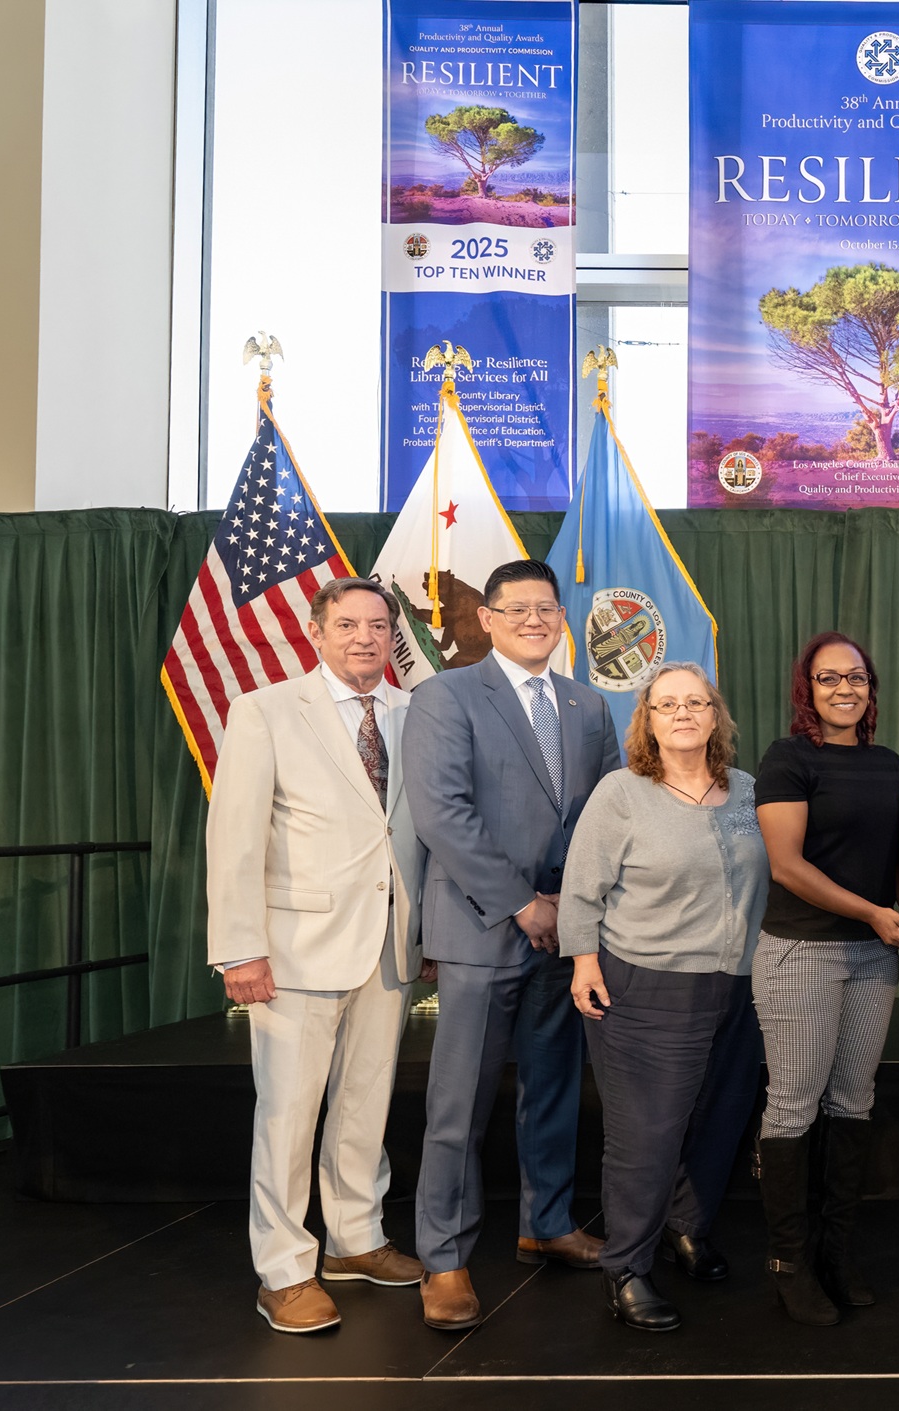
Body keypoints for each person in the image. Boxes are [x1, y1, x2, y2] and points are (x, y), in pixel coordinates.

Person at [400, 560, 623, 1331]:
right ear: (486, 618)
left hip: (566, 933)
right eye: (517, 607)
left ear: (563, 618)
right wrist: (523, 902)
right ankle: (445, 1258)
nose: (535, 618)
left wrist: (573, 908)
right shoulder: (444, 696)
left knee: (555, 1089)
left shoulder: (589, 706)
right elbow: (442, 815)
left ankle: (546, 1222)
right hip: (481, 929)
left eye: (547, 607)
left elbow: (606, 813)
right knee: (457, 1106)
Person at [206, 577, 429, 1334]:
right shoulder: (265, 710)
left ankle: (356, 1239)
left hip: (390, 943)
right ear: (316, 630)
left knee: (367, 1103)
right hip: (295, 951)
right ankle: (284, 1267)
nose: (364, 637)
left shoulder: (413, 712)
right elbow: (234, 836)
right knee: (290, 1112)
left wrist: (424, 930)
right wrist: (240, 948)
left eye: (377, 624)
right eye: (347, 624)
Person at [558, 664, 769, 1333]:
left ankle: (687, 1228)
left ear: (717, 715)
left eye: (696, 702)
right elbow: (581, 886)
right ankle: (625, 1266)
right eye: (667, 703)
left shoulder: (749, 792)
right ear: (647, 718)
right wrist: (583, 960)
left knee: (718, 1118)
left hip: (740, 983)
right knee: (645, 1135)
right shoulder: (622, 792)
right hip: (646, 985)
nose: (683, 713)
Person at [752, 631, 899, 1327]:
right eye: (829, 679)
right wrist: (876, 913)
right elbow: (787, 865)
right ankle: (789, 1266)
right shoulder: (788, 759)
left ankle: (836, 1255)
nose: (844, 689)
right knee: (793, 1107)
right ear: (807, 689)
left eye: (856, 678)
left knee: (853, 1103)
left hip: (873, 957)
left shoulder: (889, 764)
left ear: (871, 688)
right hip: (802, 952)